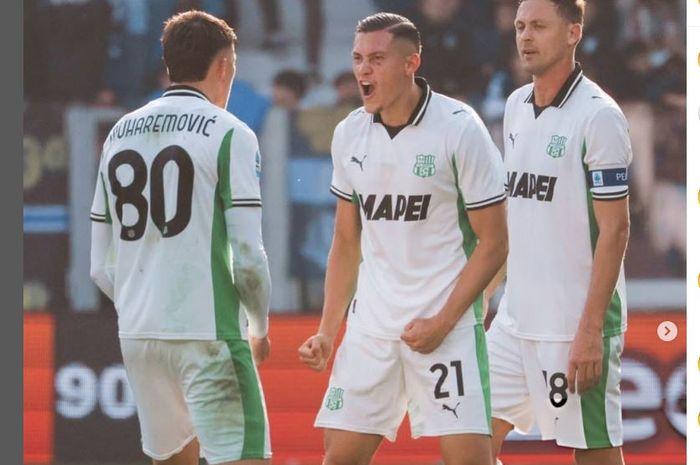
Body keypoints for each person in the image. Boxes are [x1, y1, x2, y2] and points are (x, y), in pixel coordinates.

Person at [298, 12, 508, 465]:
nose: (363, 70)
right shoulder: (349, 133)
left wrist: (444, 322)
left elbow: (495, 243)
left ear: (411, 62)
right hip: (371, 330)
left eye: (376, 59)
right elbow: (345, 241)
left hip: (446, 327)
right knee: (339, 459)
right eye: (358, 58)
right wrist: (327, 332)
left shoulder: (459, 127)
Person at [89, 10, 272, 465]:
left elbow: (98, 267)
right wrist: (259, 326)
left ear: (168, 63)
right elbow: (248, 257)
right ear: (224, 66)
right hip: (208, 333)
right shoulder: (231, 133)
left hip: (139, 335)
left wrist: (144, 306)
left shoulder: (118, 132)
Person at [488, 1, 631, 465]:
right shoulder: (514, 106)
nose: (525, 37)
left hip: (573, 326)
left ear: (573, 32)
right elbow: (517, 212)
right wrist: (488, 291)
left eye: (538, 26)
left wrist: (590, 331)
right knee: (466, 442)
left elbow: (615, 229)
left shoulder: (599, 116)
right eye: (519, 27)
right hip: (514, 320)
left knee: (594, 456)